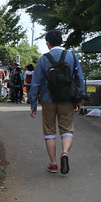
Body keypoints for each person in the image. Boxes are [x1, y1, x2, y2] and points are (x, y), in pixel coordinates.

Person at [29, 30, 85, 174]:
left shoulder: (43, 59)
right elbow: (79, 77)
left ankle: (53, 164)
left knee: (49, 131)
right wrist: (79, 98)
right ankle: (65, 152)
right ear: (62, 41)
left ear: (48, 43)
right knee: (67, 129)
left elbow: (35, 83)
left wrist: (33, 104)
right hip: (67, 98)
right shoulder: (72, 56)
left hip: (48, 99)